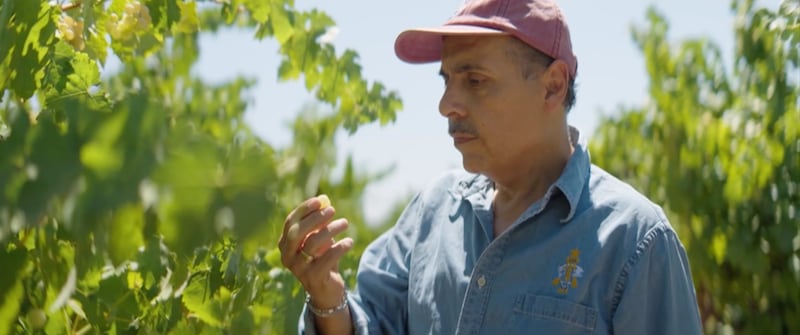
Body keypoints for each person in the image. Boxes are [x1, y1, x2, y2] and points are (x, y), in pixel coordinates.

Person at [278, 0, 704, 334]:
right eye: (446, 80)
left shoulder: (634, 241)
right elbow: (370, 323)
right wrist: (327, 298)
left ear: (552, 86)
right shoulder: (432, 213)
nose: (446, 104)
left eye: (475, 80)